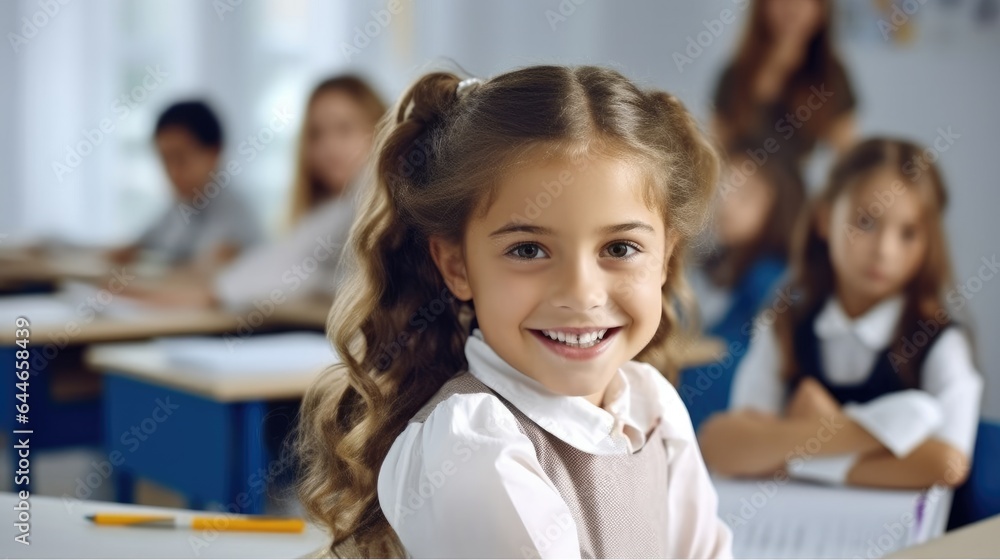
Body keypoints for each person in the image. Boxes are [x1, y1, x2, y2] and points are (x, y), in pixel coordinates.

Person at [295, 67, 733, 558]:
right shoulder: (470, 445)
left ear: (666, 256)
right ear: (457, 266)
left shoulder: (654, 407)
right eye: (528, 250)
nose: (581, 294)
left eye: (621, 247)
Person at [699, 138, 982, 490]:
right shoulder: (786, 324)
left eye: (909, 233)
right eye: (866, 222)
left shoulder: (941, 341)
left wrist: (806, 444)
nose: (884, 250)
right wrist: (882, 430)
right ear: (825, 218)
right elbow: (724, 445)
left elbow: (946, 464)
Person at [213, 76, 385, 309]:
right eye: (316, 134)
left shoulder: (371, 191)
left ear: (380, 130)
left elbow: (287, 267)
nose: (330, 146)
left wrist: (216, 291)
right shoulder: (337, 206)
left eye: (344, 129)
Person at [681, 138, 806, 429]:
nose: (727, 204)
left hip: (730, 426)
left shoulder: (772, 278)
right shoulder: (715, 269)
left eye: (745, 195)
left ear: (779, 205)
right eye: (723, 189)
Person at [109, 101, 261, 270]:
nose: (173, 172)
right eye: (165, 160)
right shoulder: (179, 209)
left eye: (180, 158)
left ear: (214, 152)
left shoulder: (237, 219)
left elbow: (210, 273)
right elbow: (139, 244)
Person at [712, 0, 858, 171]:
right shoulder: (735, 74)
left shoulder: (831, 75)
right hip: (739, 190)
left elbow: (848, 156)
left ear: (822, 10)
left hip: (795, 193)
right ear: (762, 7)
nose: (792, 8)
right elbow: (715, 152)